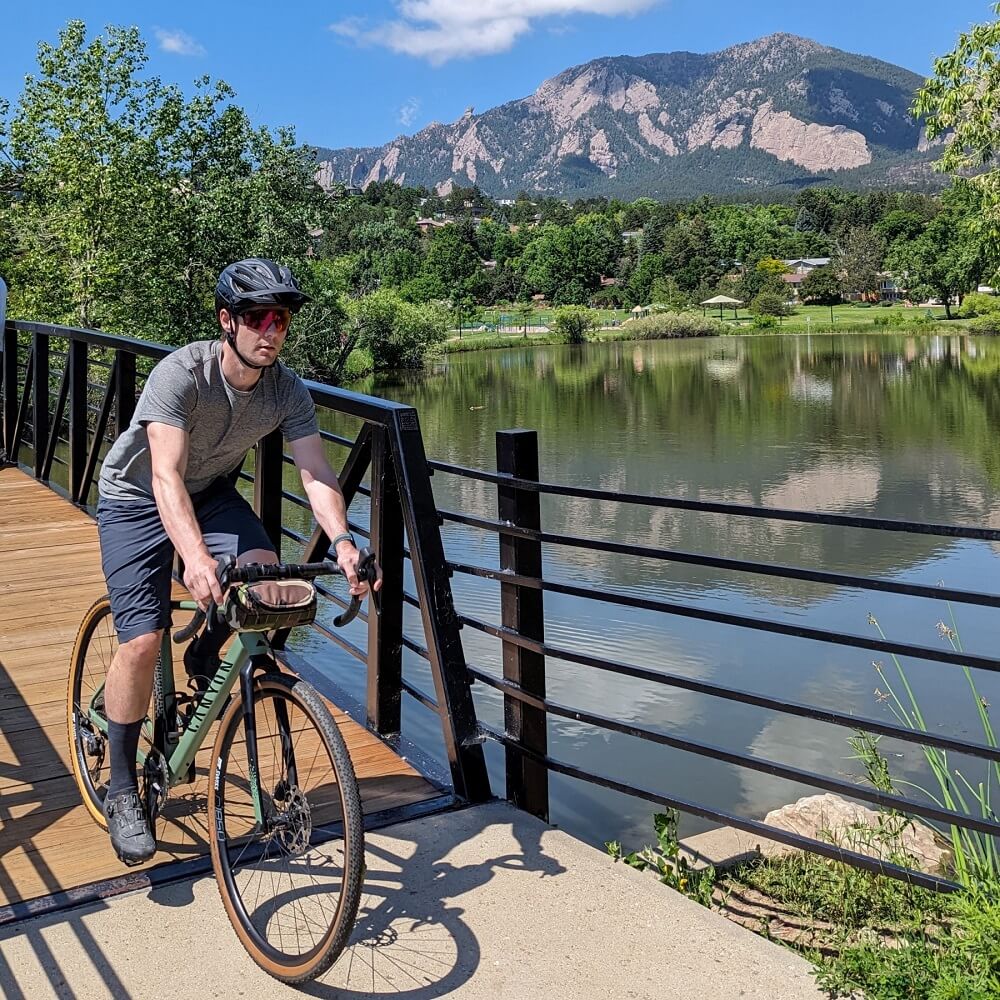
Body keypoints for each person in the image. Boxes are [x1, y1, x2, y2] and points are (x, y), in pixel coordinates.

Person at [95, 258, 380, 866]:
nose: (271, 330)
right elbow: (165, 476)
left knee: (270, 584)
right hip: (138, 497)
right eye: (257, 318)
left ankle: (205, 651)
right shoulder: (182, 375)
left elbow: (316, 470)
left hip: (211, 493)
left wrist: (345, 542)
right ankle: (122, 789)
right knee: (142, 642)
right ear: (227, 322)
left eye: (280, 319)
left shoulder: (286, 388)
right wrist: (195, 559)